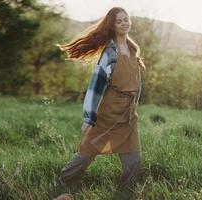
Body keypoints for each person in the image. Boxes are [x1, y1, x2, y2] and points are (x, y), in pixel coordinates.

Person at [54, 6, 146, 197]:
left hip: (128, 113)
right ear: (112, 25)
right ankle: (63, 181)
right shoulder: (110, 53)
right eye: (119, 21)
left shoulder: (133, 48)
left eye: (126, 19)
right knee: (88, 151)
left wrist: (135, 103)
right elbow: (95, 86)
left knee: (133, 155)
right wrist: (89, 118)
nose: (124, 23)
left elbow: (137, 82)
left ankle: (126, 191)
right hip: (109, 111)